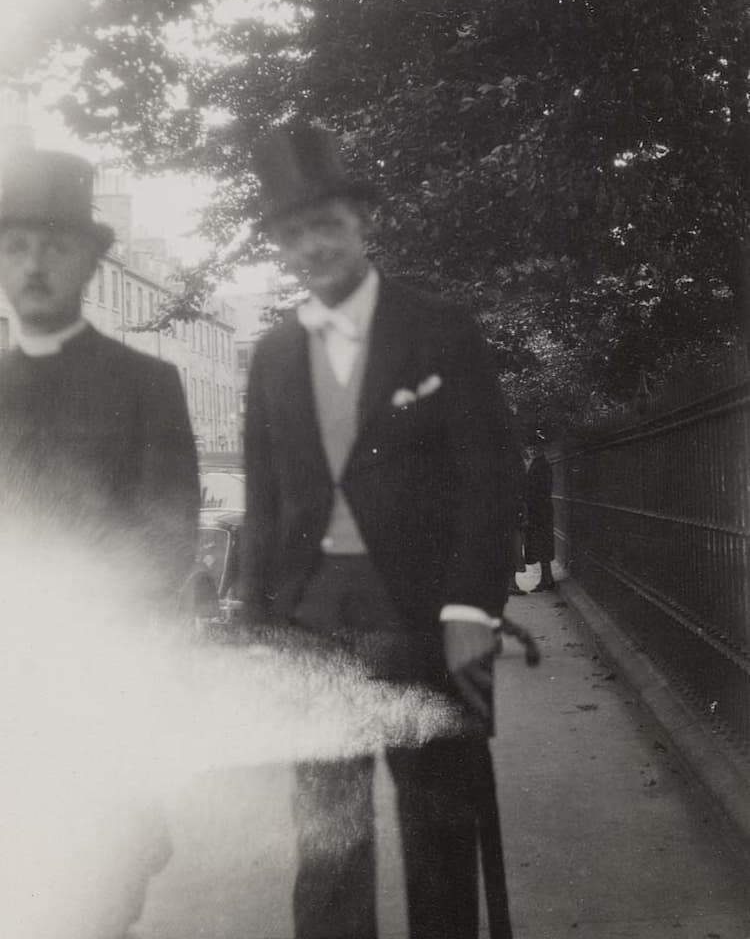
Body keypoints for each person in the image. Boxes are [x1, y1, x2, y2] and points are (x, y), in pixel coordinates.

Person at [241, 122, 523, 939]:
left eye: (325, 224)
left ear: (363, 223)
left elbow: (489, 477)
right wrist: (259, 629)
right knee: (328, 847)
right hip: (311, 629)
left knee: (439, 832)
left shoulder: (440, 330)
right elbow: (264, 505)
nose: (311, 246)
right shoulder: (271, 356)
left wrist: (473, 606)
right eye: (293, 234)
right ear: (280, 248)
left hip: (424, 618)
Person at [0, 148, 201, 939]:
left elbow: (167, 538)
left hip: (102, 686)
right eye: (15, 245)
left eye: (54, 245)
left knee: (99, 892)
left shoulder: (145, 386)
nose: (33, 264)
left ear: (90, 258)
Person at [523, 436, 556, 592]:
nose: (532, 450)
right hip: (539, 509)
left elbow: (540, 490)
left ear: (540, 448)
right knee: (542, 545)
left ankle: (547, 579)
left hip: (540, 510)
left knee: (542, 544)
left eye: (534, 447)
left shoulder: (541, 465)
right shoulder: (538, 463)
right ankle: (546, 578)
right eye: (530, 448)